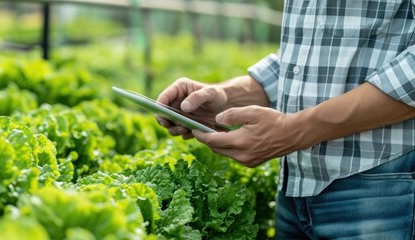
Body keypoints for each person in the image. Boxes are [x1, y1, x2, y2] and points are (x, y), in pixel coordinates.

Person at [156, 1, 415, 239]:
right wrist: (225, 96)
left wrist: (296, 130)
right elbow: (305, 56)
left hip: (382, 188)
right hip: (293, 190)